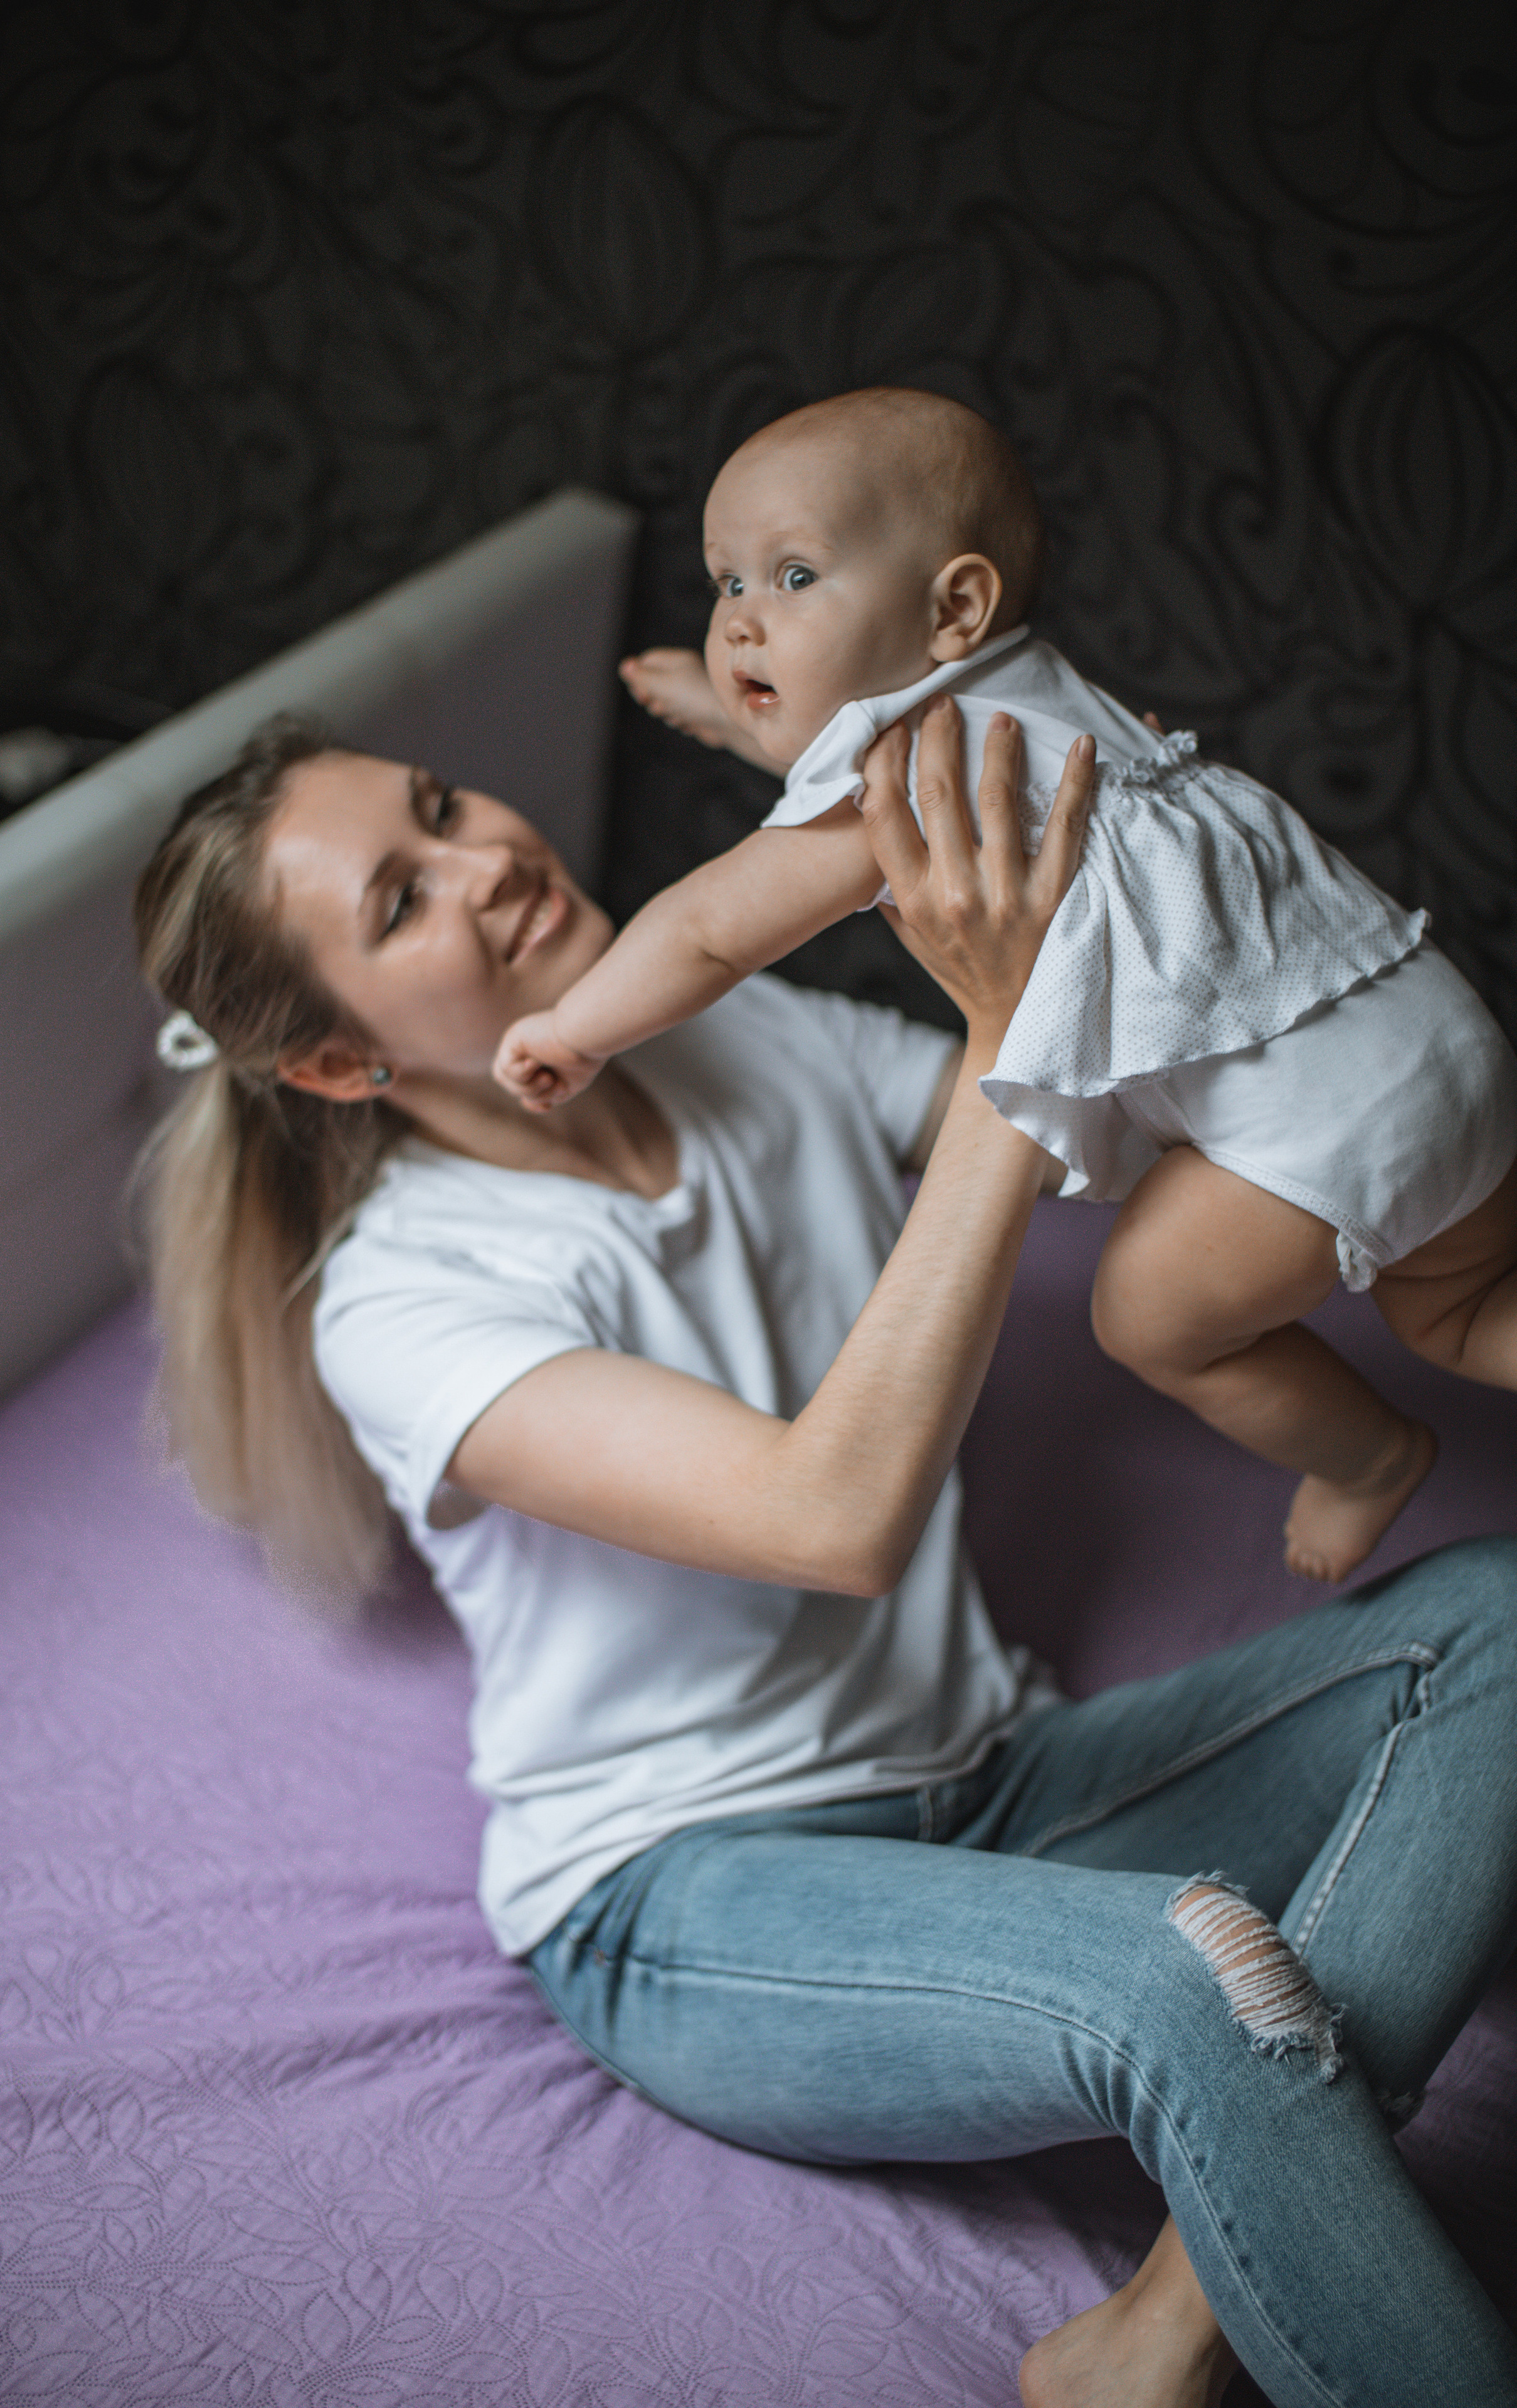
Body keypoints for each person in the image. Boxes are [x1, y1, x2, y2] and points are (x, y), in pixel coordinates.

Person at [134, 697, 1517, 2408]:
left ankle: (1171, 2321)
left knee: (1498, 1625)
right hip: (688, 1886)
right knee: (1191, 1977)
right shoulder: (405, 1303)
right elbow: (832, 1517)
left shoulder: (728, 1034)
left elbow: (1063, 1127)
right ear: (340, 1066)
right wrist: (1022, 1014)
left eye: (442, 804)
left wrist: (1130, 875)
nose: (486, 860)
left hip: (991, 1777)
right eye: (402, 899)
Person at [493, 388, 1517, 1588]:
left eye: (792, 577)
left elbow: (712, 931)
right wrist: (737, 712)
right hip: (1434, 1027)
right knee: (1461, 1303)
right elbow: (840, 733)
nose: (742, 627)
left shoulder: (903, 781)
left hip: (1319, 1135)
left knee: (1144, 1317)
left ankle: (1370, 1456)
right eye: (725, 586)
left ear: (956, 607)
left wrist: (577, 1025)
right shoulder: (1039, 696)